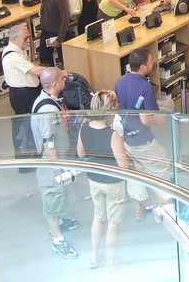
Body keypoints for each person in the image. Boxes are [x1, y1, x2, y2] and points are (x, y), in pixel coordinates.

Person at [76, 90, 131, 271]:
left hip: (94, 179)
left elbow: (81, 153)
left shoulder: (84, 127)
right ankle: (111, 261)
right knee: (113, 222)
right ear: (110, 109)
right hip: (113, 182)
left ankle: (93, 256)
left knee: (98, 218)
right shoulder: (113, 134)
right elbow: (123, 164)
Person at [30, 68, 79, 259]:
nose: (65, 79)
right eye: (62, 78)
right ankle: (58, 238)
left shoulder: (45, 101)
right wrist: (60, 168)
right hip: (51, 166)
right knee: (52, 199)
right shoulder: (48, 110)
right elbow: (48, 142)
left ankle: (59, 221)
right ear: (56, 83)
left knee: (58, 197)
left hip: (56, 162)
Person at [114, 49, 172, 195]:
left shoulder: (120, 81)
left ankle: (140, 205)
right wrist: (159, 119)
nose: (154, 63)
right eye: (151, 61)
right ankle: (167, 205)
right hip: (143, 139)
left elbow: (119, 106)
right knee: (163, 171)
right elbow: (146, 119)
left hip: (126, 138)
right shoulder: (145, 87)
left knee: (138, 170)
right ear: (142, 66)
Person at [1, 24, 44, 163]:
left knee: (30, 124)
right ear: (14, 38)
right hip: (23, 94)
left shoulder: (19, 51)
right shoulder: (13, 56)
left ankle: (34, 152)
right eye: (25, 38)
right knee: (25, 127)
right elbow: (36, 71)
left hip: (28, 91)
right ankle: (27, 158)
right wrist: (55, 72)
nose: (28, 41)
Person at [38, 0, 70, 66]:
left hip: (57, 32)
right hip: (46, 31)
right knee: (44, 59)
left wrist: (59, 38)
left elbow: (65, 18)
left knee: (65, 61)